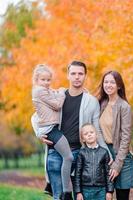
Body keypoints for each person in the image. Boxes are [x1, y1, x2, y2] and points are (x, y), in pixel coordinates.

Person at [38, 61, 111, 200]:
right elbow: (36, 116)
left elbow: (97, 131)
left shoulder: (92, 102)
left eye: (80, 74)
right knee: (59, 196)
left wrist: (108, 154)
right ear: (68, 75)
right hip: (55, 151)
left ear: (85, 76)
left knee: (79, 195)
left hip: (79, 153)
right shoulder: (56, 96)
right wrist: (39, 134)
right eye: (73, 73)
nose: (77, 77)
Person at [31, 64, 73, 199]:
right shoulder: (38, 91)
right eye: (43, 80)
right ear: (36, 80)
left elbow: (54, 93)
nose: (46, 83)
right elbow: (57, 104)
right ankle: (67, 192)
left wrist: (61, 90)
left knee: (66, 157)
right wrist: (61, 93)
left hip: (51, 128)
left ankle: (55, 187)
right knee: (69, 157)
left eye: (48, 80)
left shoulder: (46, 91)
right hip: (50, 129)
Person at [97, 71, 133, 200]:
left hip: (122, 156)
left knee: (122, 196)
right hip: (104, 153)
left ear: (119, 85)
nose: (108, 85)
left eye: (112, 82)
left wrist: (118, 164)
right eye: (106, 82)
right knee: (105, 195)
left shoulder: (124, 107)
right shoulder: (100, 103)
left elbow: (126, 138)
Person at [75, 123, 114, 200]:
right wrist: (78, 192)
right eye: (86, 134)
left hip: (101, 189)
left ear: (97, 135)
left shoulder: (104, 152)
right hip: (85, 189)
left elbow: (108, 173)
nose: (89, 135)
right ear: (83, 139)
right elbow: (78, 173)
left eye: (91, 132)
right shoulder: (81, 153)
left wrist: (109, 191)